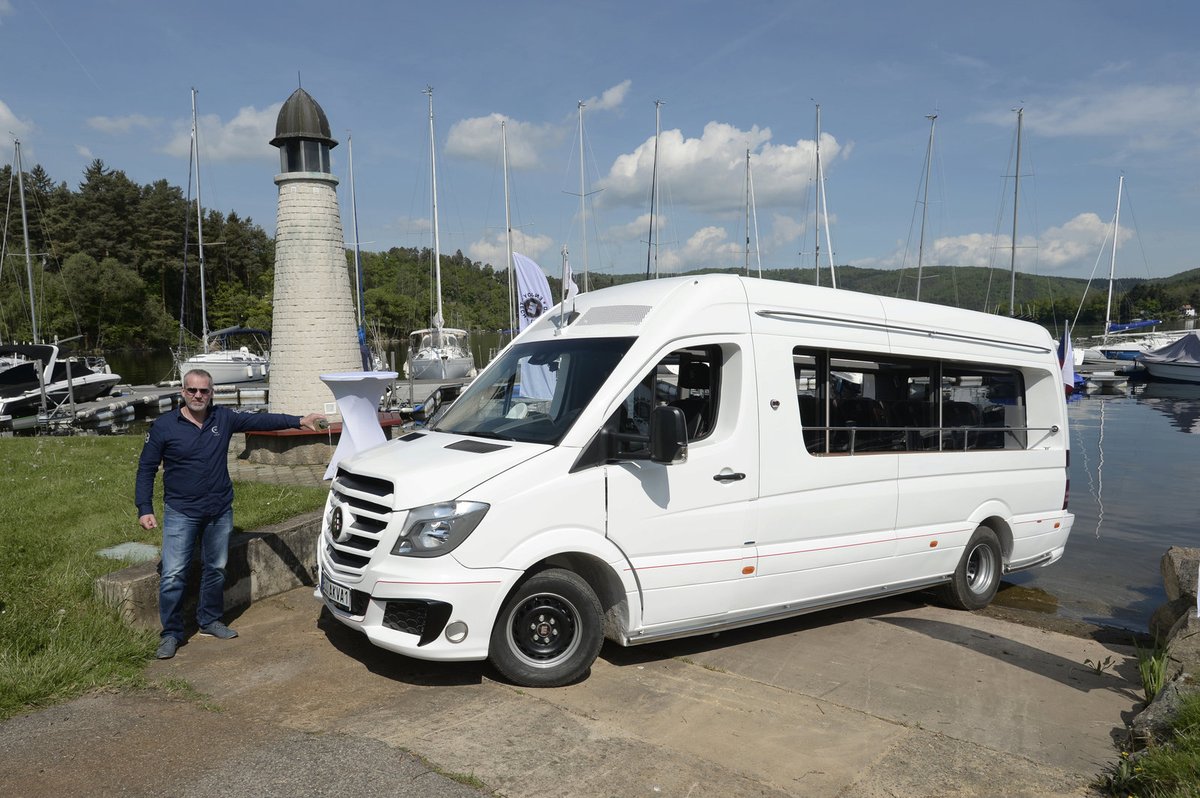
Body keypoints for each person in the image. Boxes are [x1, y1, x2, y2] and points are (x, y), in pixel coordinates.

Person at [135, 369, 325, 660]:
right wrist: (144, 508)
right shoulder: (164, 426)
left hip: (219, 510)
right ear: (182, 393)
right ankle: (171, 633)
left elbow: (261, 420)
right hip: (180, 511)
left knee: (216, 568)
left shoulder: (222, 418)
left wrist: (299, 420)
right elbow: (146, 468)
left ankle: (209, 620)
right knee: (173, 574)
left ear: (212, 393)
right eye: (192, 391)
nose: (198, 396)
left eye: (204, 391)